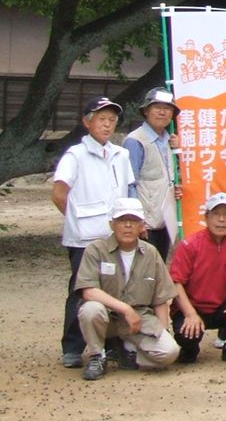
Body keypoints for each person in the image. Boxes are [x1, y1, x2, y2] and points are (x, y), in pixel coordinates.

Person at [52, 96, 136, 369]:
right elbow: (59, 193)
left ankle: (112, 344)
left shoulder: (121, 154)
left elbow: (129, 189)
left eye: (112, 120)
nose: (107, 124)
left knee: (115, 289)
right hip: (84, 239)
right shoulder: (75, 155)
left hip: (115, 236)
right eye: (101, 119)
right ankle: (73, 347)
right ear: (87, 122)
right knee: (81, 290)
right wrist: (76, 219)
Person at [75, 197, 180, 380]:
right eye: (122, 220)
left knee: (169, 352)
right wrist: (125, 309)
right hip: (106, 316)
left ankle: (129, 353)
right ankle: (97, 355)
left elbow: (160, 298)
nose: (128, 226)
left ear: (142, 226)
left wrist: (164, 331)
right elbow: (88, 291)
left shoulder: (151, 253)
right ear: (111, 224)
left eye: (134, 220)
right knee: (91, 309)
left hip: (139, 319)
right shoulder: (95, 250)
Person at [168, 193, 226, 366]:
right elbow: (176, 283)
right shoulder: (190, 244)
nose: (221, 220)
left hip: (222, 308)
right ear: (206, 216)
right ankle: (190, 349)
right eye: (216, 214)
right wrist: (190, 314)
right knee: (186, 335)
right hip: (193, 307)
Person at [123, 87, 180, 260]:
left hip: (164, 220)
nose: (162, 112)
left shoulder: (170, 140)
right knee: (141, 269)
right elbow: (130, 184)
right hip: (146, 223)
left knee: (158, 267)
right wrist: (137, 220)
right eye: (157, 107)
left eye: (167, 108)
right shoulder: (135, 141)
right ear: (146, 111)